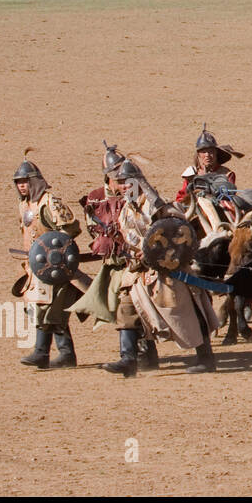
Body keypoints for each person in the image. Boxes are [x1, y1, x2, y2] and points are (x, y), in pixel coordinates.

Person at [104, 161, 218, 376]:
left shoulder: (156, 205)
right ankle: (128, 359)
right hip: (139, 272)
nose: (124, 187)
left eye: (128, 183)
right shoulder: (126, 210)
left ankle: (206, 358)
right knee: (127, 309)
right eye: (120, 183)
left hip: (168, 270)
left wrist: (155, 250)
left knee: (190, 312)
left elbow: (177, 231)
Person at [12, 159, 82, 369]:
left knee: (48, 309)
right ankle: (65, 354)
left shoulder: (49, 203)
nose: (21, 185)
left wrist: (55, 253)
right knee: (45, 310)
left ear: (35, 181)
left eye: (25, 181)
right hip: (35, 268)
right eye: (18, 182)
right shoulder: (25, 205)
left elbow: (70, 230)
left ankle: (42, 353)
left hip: (53, 267)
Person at [174, 126, 242, 203]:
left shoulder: (227, 174)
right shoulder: (191, 173)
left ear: (216, 153)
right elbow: (181, 197)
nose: (207, 155)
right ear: (198, 154)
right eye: (203, 152)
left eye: (211, 152)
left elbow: (229, 196)